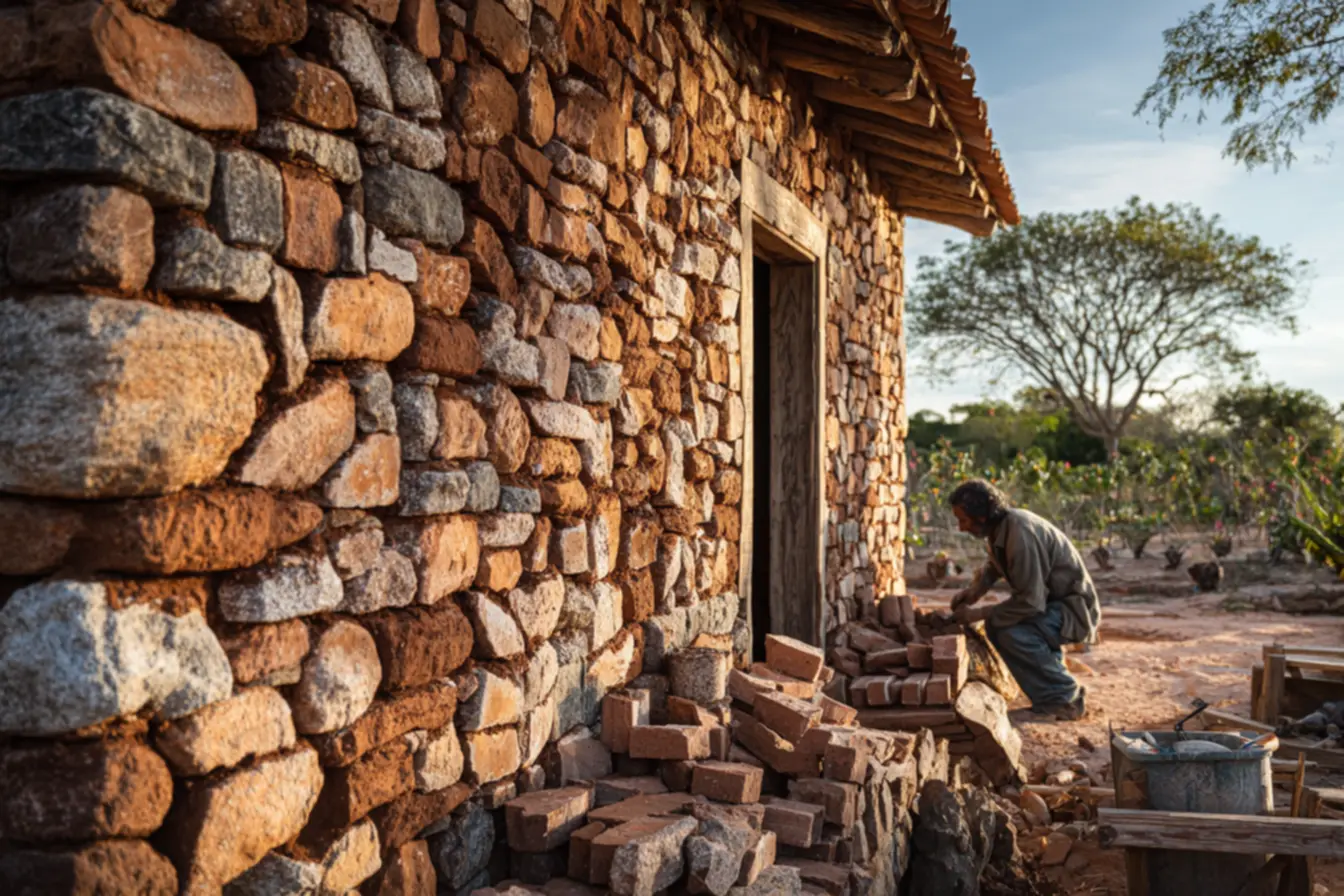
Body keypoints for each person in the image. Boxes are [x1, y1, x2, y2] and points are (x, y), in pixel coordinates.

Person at [947, 479, 1101, 721]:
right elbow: (995, 565)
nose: (961, 527)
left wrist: (976, 614)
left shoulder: (1020, 534)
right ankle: (1053, 690)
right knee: (1001, 625)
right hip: (1051, 605)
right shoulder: (1003, 527)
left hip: (1072, 610)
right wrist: (974, 592)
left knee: (1009, 630)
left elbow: (1030, 602)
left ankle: (1063, 699)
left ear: (981, 516)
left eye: (963, 520)